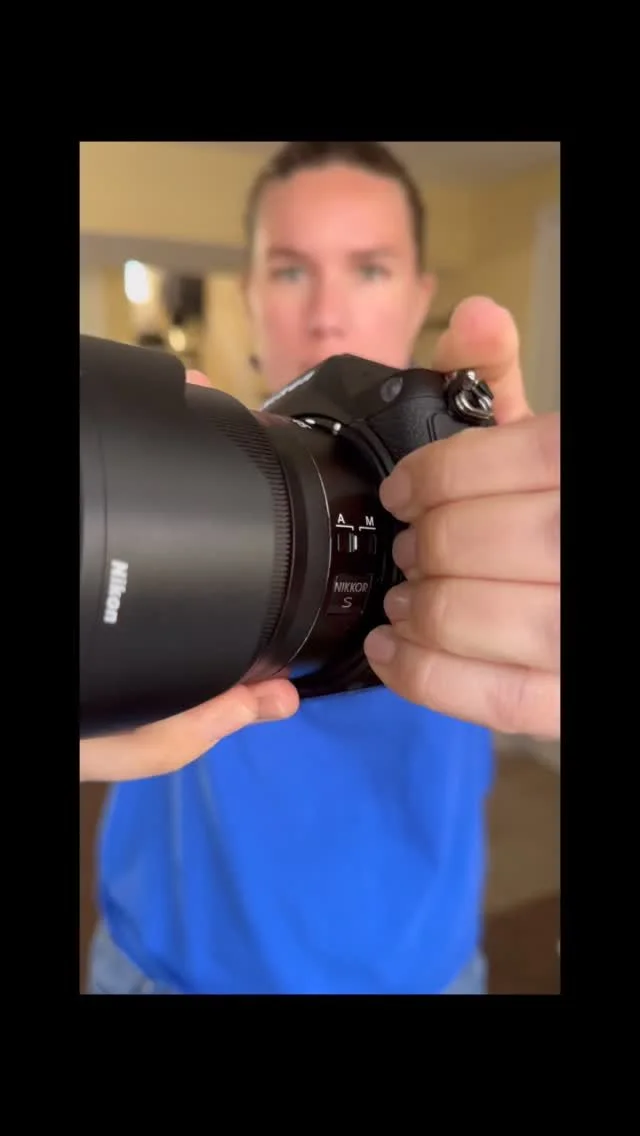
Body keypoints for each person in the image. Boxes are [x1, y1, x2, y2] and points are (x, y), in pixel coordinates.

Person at [84, 141, 560, 994]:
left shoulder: (480, 479)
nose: (327, 315)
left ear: (419, 292)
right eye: (292, 270)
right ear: (251, 292)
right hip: (161, 964)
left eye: (369, 269)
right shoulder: (152, 446)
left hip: (421, 974)